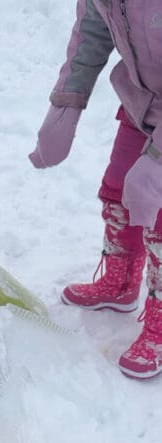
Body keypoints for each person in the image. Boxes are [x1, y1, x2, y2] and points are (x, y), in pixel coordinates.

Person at [29, 0, 162, 380]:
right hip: (143, 101)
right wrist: (65, 106)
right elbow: (92, 32)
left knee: (157, 209)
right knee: (120, 191)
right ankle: (120, 284)